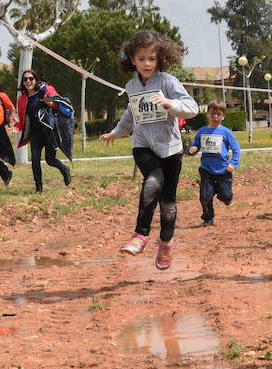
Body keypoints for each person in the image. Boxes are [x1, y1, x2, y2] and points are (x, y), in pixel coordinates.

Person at [100, 30, 199, 268]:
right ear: (132, 59)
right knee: (152, 182)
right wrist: (116, 132)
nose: (146, 63)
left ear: (159, 59)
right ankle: (140, 235)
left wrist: (171, 104)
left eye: (151, 59)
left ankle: (165, 243)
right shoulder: (131, 86)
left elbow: (192, 107)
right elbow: (130, 114)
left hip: (171, 149)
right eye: (141, 58)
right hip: (143, 144)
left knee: (167, 204)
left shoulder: (167, 82)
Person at [14, 70, 73, 193]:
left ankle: (64, 169)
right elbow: (22, 118)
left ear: (36, 79)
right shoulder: (22, 99)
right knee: (35, 159)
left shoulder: (46, 90)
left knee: (50, 160)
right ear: (22, 82)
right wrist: (16, 128)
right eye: (25, 79)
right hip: (35, 133)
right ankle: (38, 188)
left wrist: (51, 104)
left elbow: (59, 104)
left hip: (49, 131)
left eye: (31, 78)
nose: (28, 81)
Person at [188, 99, 240, 227]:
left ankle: (226, 197)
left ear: (223, 116)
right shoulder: (202, 131)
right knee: (205, 197)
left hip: (223, 170)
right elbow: (196, 145)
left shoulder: (226, 132)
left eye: (219, 115)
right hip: (207, 169)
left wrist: (233, 163)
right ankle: (208, 218)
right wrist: (193, 149)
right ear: (207, 114)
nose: (215, 117)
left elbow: (236, 149)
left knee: (225, 195)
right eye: (213, 114)